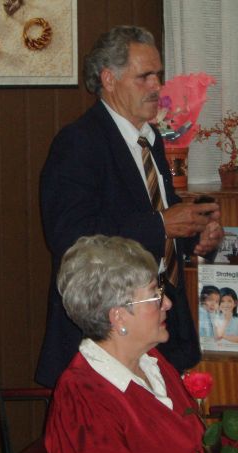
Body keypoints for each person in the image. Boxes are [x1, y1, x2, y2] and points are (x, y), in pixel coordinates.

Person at [37, 25, 223, 388]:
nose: (157, 86)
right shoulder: (79, 142)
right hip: (106, 335)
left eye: (159, 75)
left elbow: (153, 216)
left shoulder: (149, 140)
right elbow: (69, 237)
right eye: (144, 76)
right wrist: (162, 225)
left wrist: (194, 237)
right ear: (109, 79)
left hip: (161, 329)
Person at [45, 235, 238, 453]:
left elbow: (198, 443)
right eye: (155, 295)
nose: (167, 303)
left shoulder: (151, 361)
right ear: (118, 317)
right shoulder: (82, 396)